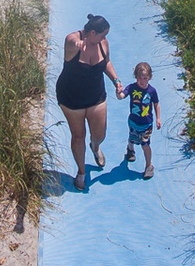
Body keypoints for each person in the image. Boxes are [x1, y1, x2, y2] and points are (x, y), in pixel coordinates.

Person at [55, 14, 122, 191]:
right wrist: (77, 44)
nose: (104, 38)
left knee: (99, 134)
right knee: (78, 136)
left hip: (96, 95)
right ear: (92, 32)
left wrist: (116, 81)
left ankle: (95, 146)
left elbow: (106, 62)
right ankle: (82, 171)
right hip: (71, 98)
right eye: (102, 35)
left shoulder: (103, 43)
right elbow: (70, 41)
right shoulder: (73, 41)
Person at [119, 62, 162, 178]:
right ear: (136, 77)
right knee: (132, 138)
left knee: (145, 144)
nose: (142, 81)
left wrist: (158, 118)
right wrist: (119, 92)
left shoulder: (152, 91)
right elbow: (122, 96)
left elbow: (156, 103)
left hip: (147, 123)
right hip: (133, 121)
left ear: (149, 78)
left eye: (145, 78)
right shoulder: (132, 88)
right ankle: (130, 149)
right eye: (139, 78)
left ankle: (149, 166)